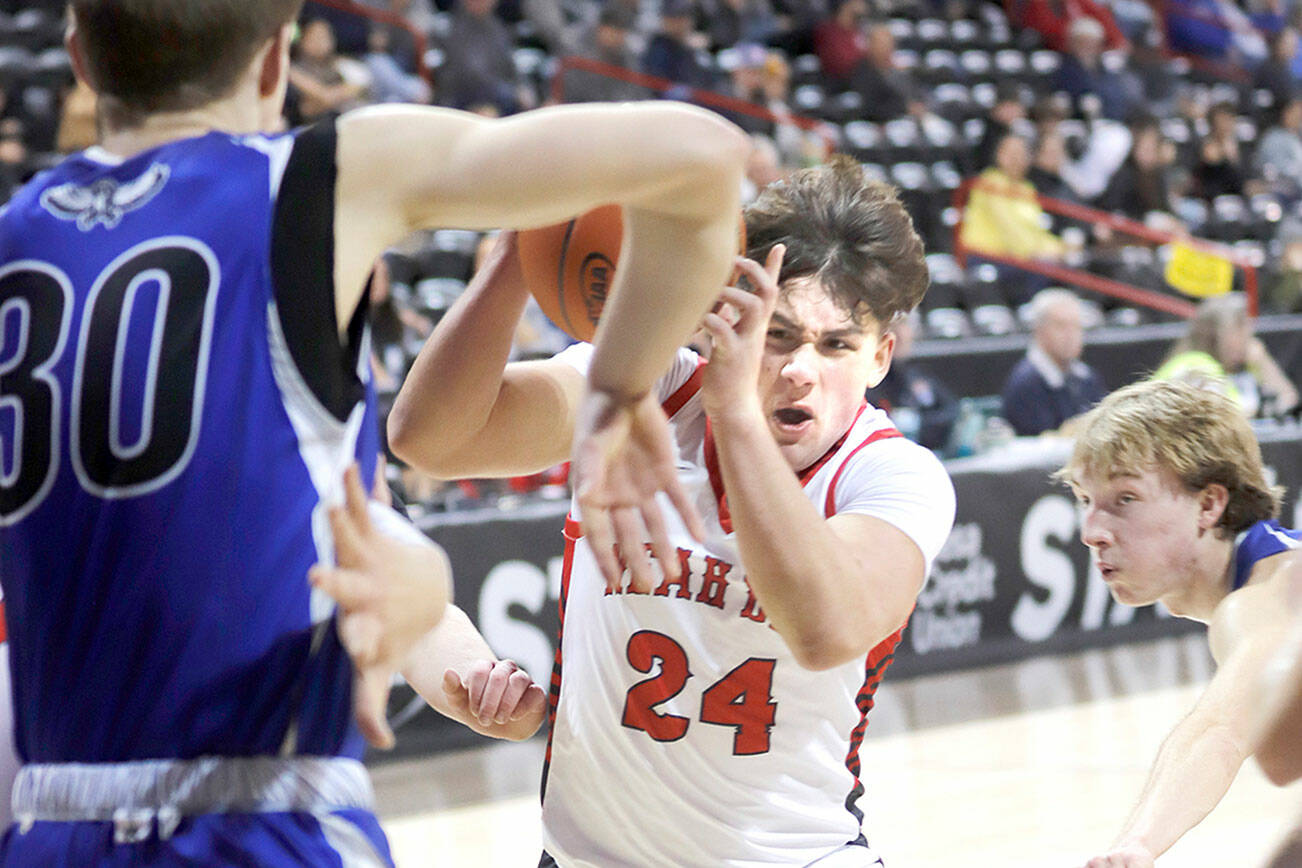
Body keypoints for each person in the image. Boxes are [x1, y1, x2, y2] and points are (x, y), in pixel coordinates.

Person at [0, 0, 750, 863]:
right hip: (257, 817)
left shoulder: (16, 239)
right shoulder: (315, 180)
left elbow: (307, 518)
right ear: (278, 62)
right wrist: (617, 389)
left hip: (54, 822)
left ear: (78, 62)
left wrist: (440, 642)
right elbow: (706, 155)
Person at [388, 155, 957, 866]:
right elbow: (430, 438)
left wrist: (737, 415)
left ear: (880, 358)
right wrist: (517, 260)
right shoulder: (646, 388)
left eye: (836, 345)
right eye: (776, 335)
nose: (800, 369)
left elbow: (823, 629)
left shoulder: (894, 476)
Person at [1061, 380, 1302, 868]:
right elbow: (1283, 759)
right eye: (1086, 499)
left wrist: (1137, 847)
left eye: (1125, 498)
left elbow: (1219, 729)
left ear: (1209, 505)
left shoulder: (1268, 593)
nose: (1092, 533)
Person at [1153, 294, 1300, 417]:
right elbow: (1228, 421)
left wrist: (1263, 363)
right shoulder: (1195, 366)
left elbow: (1289, 402)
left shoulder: (1243, 366)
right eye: (1239, 328)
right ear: (1213, 335)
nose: (1247, 337)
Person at [1001, 289, 1107, 436]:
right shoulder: (1025, 383)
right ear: (1039, 330)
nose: (1071, 335)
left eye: (1076, 326)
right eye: (1061, 326)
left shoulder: (1087, 376)